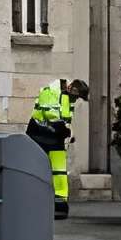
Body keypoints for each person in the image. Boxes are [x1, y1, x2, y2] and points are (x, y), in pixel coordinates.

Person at [28, 78, 88, 217]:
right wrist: (64, 130)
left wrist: (69, 132)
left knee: (59, 172)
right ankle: (34, 203)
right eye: (76, 95)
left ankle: (60, 206)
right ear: (71, 87)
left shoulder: (68, 97)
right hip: (39, 136)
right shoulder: (50, 91)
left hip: (54, 137)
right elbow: (51, 116)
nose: (76, 99)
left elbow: (65, 120)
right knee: (36, 171)